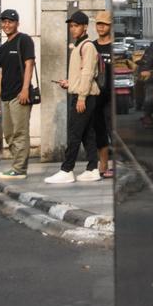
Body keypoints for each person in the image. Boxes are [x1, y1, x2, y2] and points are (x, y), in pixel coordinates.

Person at [47, 10, 102, 183]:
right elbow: (81, 75)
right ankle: (93, 168)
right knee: (87, 134)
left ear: (85, 27)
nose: (72, 29)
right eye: (71, 26)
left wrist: (81, 97)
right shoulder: (80, 46)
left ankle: (67, 170)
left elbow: (87, 74)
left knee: (74, 133)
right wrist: (69, 83)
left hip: (83, 96)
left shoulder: (87, 46)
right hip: (81, 93)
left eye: (76, 26)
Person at [0, 9, 36, 180]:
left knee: (20, 132)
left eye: (10, 21)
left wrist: (25, 89)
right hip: (6, 97)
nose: (6, 25)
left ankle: (19, 169)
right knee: (9, 134)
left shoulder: (24, 40)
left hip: (20, 95)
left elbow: (29, 64)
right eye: (3, 22)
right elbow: (0, 74)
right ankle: (17, 165)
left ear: (17, 23)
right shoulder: (2, 48)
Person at [92, 10, 114, 178]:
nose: (101, 27)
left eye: (104, 24)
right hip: (97, 96)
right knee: (100, 131)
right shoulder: (92, 46)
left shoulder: (115, 47)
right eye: (99, 23)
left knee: (113, 130)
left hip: (113, 96)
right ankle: (103, 165)